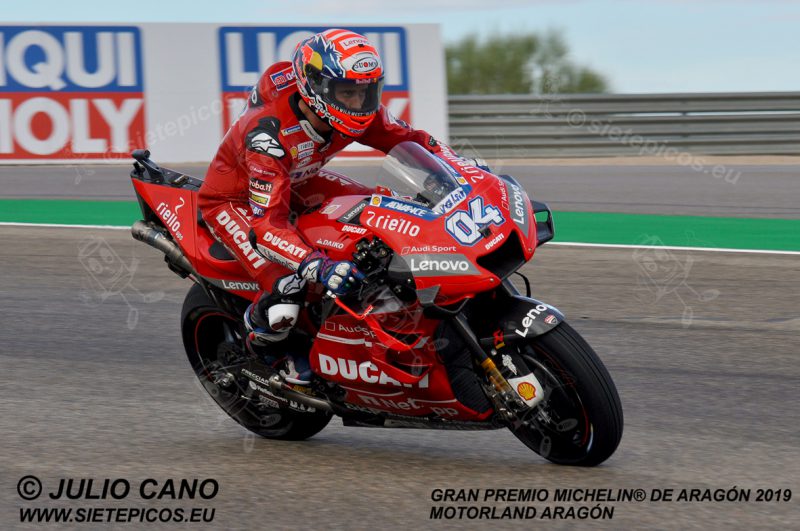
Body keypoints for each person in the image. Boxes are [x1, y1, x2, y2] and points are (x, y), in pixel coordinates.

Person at [198, 29, 446, 385]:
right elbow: (266, 228)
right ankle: (264, 347)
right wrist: (317, 265)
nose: (359, 102)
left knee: (384, 211)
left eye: (366, 90)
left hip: (301, 178)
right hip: (236, 201)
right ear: (316, 88)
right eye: (348, 92)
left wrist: (460, 168)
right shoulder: (268, 137)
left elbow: (413, 140)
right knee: (289, 286)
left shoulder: (353, 109)